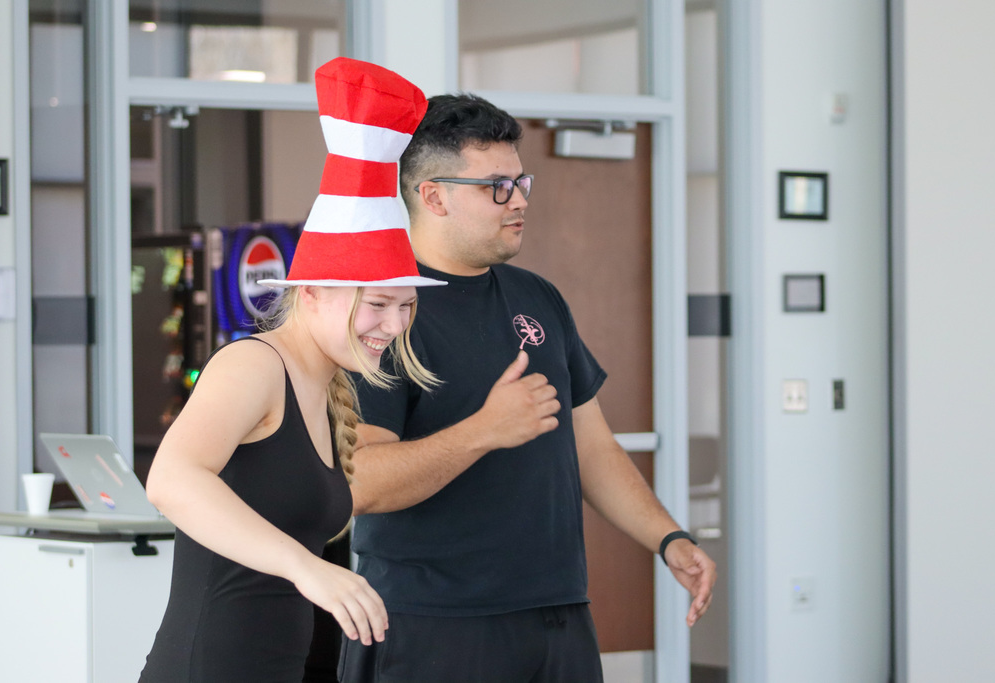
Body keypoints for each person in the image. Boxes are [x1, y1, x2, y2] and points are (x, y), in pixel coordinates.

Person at [339, 94, 717, 682]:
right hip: (433, 624)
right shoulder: (382, 310)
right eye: (495, 186)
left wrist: (666, 537)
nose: (517, 201)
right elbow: (360, 480)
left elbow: (591, 447)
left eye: (520, 182)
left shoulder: (538, 297)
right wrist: (484, 431)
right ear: (432, 195)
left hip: (556, 616)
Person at [139, 57, 445, 683]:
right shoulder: (255, 365)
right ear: (311, 294)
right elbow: (170, 481)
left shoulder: (332, 386)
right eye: (376, 305)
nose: (392, 325)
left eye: (405, 307)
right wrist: (306, 567)